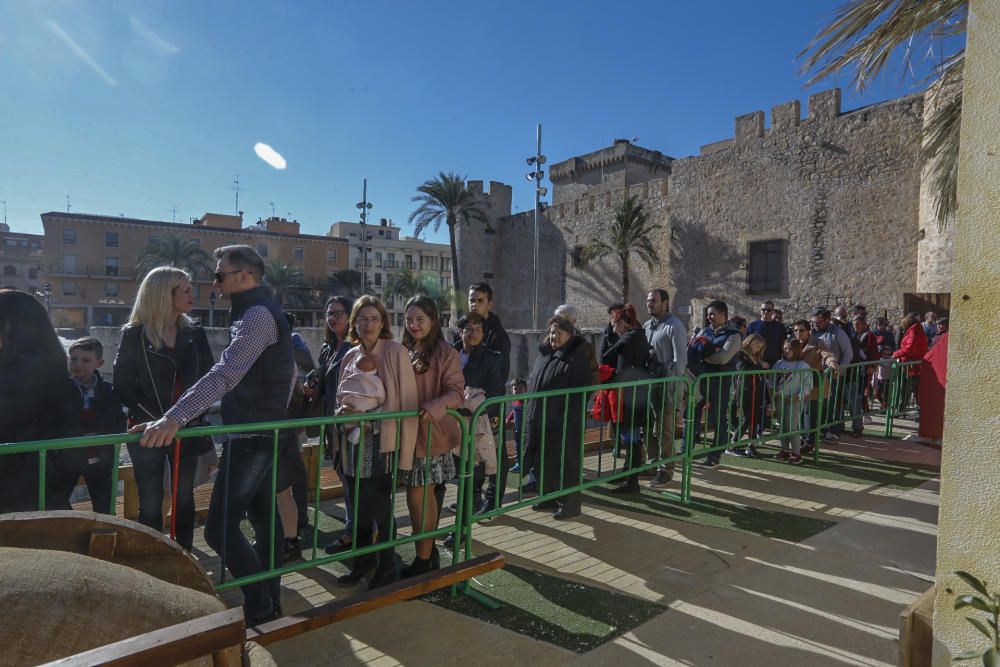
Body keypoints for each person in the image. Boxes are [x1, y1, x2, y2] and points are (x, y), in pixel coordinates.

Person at [135, 246, 293, 625]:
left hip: (253, 437)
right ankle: (269, 599)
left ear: (245, 277)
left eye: (220, 276)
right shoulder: (258, 312)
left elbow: (226, 373)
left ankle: (259, 605)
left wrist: (174, 417)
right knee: (263, 519)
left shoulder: (256, 315)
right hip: (263, 433)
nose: (214, 283)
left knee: (220, 531)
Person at [114, 267, 214, 551]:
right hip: (145, 429)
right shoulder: (134, 334)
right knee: (150, 498)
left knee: (184, 497)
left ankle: (182, 554)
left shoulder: (195, 332)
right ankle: (152, 556)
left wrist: (181, 418)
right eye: (184, 289)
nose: (192, 294)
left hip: (188, 428)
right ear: (163, 294)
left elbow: (209, 377)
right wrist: (158, 421)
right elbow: (123, 385)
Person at [331, 295, 417, 588]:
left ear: (383, 323)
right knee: (357, 506)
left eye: (374, 319)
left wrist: (370, 421)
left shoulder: (396, 352)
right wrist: (341, 415)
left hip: (382, 444)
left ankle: (386, 565)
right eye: (362, 319)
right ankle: (364, 561)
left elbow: (406, 404)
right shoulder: (349, 354)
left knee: (378, 506)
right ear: (354, 323)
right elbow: (341, 397)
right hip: (351, 443)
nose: (368, 325)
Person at [401, 295, 464, 577]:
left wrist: (434, 406)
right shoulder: (403, 349)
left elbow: (456, 392)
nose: (413, 325)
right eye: (409, 319)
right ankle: (426, 554)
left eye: (419, 320)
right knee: (420, 497)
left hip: (430, 434)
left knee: (419, 497)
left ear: (433, 321)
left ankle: (423, 559)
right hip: (408, 435)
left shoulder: (445, 353)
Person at [0, 290, 79, 514]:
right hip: (37, 484)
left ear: (11, 326)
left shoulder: (31, 369)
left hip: (23, 487)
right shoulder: (44, 362)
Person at [523, 314, 598, 519]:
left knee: (567, 461)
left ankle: (571, 504)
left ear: (570, 335)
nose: (554, 336)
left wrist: (568, 414)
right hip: (543, 416)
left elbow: (583, 389)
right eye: (552, 331)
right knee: (544, 460)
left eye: (559, 332)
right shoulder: (546, 354)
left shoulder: (576, 358)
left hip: (565, 419)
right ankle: (547, 497)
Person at [48, 337, 126, 513]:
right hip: (67, 459)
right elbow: (52, 422)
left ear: (99, 363)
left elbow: (118, 422)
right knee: (54, 501)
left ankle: (101, 537)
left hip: (100, 459)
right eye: (73, 359)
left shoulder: (109, 391)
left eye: (85, 360)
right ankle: (72, 529)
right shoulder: (59, 390)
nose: (77, 364)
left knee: (104, 506)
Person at [306, 296, 358, 556]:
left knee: (352, 477)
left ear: (350, 317)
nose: (333, 317)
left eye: (339, 312)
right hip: (331, 421)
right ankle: (357, 528)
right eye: (329, 313)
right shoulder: (329, 348)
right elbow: (323, 376)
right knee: (344, 474)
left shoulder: (354, 347)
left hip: (348, 423)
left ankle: (355, 531)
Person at [452, 311, 505, 517]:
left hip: (476, 423)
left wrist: (468, 408)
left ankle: (463, 527)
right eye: (469, 329)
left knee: (471, 473)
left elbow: (495, 394)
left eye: (478, 329)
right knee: (457, 473)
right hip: (450, 422)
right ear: (460, 331)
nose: (473, 333)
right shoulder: (450, 354)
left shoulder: (493, 358)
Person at [599, 304, 651, 493]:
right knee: (631, 438)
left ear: (622, 322)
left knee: (631, 440)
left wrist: (606, 376)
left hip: (629, 398)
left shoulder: (627, 341)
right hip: (635, 395)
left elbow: (619, 370)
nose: (613, 328)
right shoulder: (638, 336)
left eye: (614, 324)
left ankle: (632, 482)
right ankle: (628, 475)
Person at [686, 300, 741, 468]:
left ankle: (715, 455)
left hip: (720, 382)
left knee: (718, 419)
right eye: (708, 314)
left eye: (712, 314)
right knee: (691, 415)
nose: (709, 317)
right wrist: (708, 353)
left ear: (723, 315)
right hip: (700, 380)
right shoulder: (704, 331)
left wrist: (703, 355)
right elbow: (691, 351)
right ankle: (686, 450)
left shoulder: (734, 335)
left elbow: (723, 358)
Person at [643, 289, 687, 486]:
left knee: (665, 431)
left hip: (666, 388)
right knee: (648, 428)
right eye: (648, 300)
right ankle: (652, 464)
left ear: (665, 303)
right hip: (648, 386)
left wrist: (672, 388)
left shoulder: (675, 326)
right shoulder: (646, 326)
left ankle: (666, 470)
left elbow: (680, 362)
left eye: (654, 300)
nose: (649, 304)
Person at [792, 319, 838, 454]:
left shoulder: (817, 343)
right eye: (795, 330)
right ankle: (801, 437)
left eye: (801, 330)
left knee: (809, 413)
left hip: (813, 383)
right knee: (798, 412)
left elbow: (827, 355)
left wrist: (832, 362)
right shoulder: (792, 344)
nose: (798, 333)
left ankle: (810, 442)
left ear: (808, 331)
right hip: (796, 383)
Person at [810, 308, 853, 440]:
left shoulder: (838, 333)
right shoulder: (810, 332)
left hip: (831, 375)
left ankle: (832, 430)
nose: (815, 324)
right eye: (813, 322)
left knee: (830, 404)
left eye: (819, 322)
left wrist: (840, 369)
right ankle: (817, 429)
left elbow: (848, 353)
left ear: (828, 320)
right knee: (816, 404)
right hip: (814, 375)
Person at [771, 339, 813, 465]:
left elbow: (807, 385)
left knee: (792, 427)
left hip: (794, 400)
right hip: (779, 398)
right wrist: (772, 390)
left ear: (796, 349)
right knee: (782, 426)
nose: (787, 351)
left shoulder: (803, 365)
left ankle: (796, 453)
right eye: (785, 348)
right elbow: (771, 378)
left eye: (789, 348)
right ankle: (784, 450)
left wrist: (798, 396)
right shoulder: (779, 363)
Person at [727, 334, 768, 458]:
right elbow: (741, 369)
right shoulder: (741, 354)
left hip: (756, 391)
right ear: (749, 342)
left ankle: (751, 446)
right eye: (756, 346)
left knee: (754, 419)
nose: (757, 349)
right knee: (747, 418)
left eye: (760, 347)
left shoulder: (755, 357)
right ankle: (733, 445)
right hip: (745, 391)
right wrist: (760, 366)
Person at [465, 283, 511, 379]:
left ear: (489, 304)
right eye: (472, 300)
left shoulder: (498, 336)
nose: (475, 304)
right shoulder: (463, 330)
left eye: (480, 301)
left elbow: (500, 375)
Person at [893, 312, 929, 414]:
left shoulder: (914, 331)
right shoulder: (916, 330)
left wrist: (896, 354)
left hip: (913, 365)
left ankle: (916, 412)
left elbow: (909, 349)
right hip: (913, 364)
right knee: (910, 389)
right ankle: (903, 410)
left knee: (910, 389)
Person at [748, 301, 786, 368]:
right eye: (763, 309)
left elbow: (784, 345)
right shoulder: (752, 326)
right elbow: (747, 346)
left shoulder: (780, 327)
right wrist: (759, 361)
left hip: (775, 365)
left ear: (773, 311)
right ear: (760, 311)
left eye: (768, 310)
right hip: (756, 364)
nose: (766, 312)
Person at [506, 378, 528, 473]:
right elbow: (513, 411)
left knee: (525, 447)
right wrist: (508, 418)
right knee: (517, 446)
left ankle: (527, 464)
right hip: (517, 429)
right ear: (512, 391)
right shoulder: (514, 401)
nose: (518, 391)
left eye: (520, 388)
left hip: (526, 430)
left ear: (526, 390)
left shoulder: (527, 402)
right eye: (515, 389)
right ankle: (518, 464)